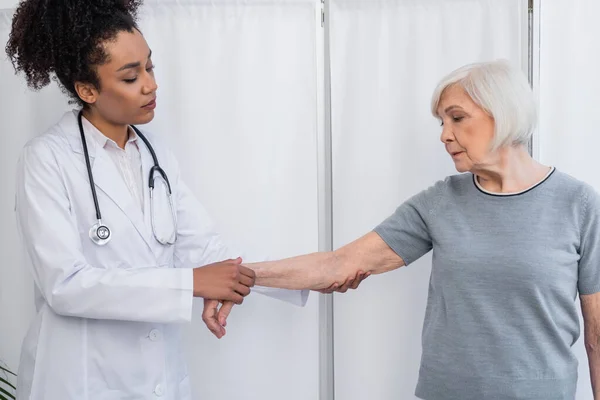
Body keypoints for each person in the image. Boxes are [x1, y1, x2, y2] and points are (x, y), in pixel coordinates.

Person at [6, 0, 367, 398]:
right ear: (87, 89)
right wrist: (191, 284)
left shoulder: (154, 154)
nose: (150, 85)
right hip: (80, 378)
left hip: (158, 377)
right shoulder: (46, 159)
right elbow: (65, 285)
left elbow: (205, 250)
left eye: (150, 67)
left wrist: (312, 274)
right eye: (130, 77)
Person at [207, 60, 600, 400]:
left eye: (457, 118)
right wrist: (239, 276)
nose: (444, 134)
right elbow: (338, 264)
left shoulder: (578, 204)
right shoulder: (440, 202)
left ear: (504, 113)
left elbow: (596, 334)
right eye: (442, 122)